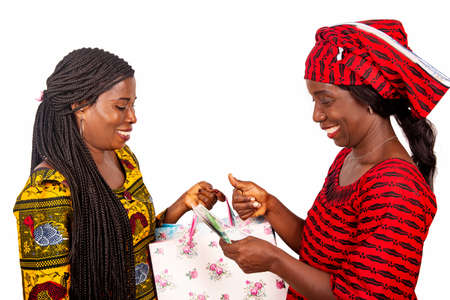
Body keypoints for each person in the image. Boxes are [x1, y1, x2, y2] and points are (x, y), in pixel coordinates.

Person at [220, 20, 449, 299]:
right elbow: (321, 251)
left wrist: (274, 260)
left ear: (369, 97)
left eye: (325, 100)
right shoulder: (347, 159)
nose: (316, 115)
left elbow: (358, 295)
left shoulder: (397, 188)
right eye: (313, 101)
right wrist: (269, 206)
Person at [13, 48, 225, 300]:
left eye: (133, 105)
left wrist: (180, 207)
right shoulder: (47, 191)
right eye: (121, 106)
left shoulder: (124, 159)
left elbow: (131, 242)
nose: (133, 117)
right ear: (80, 106)